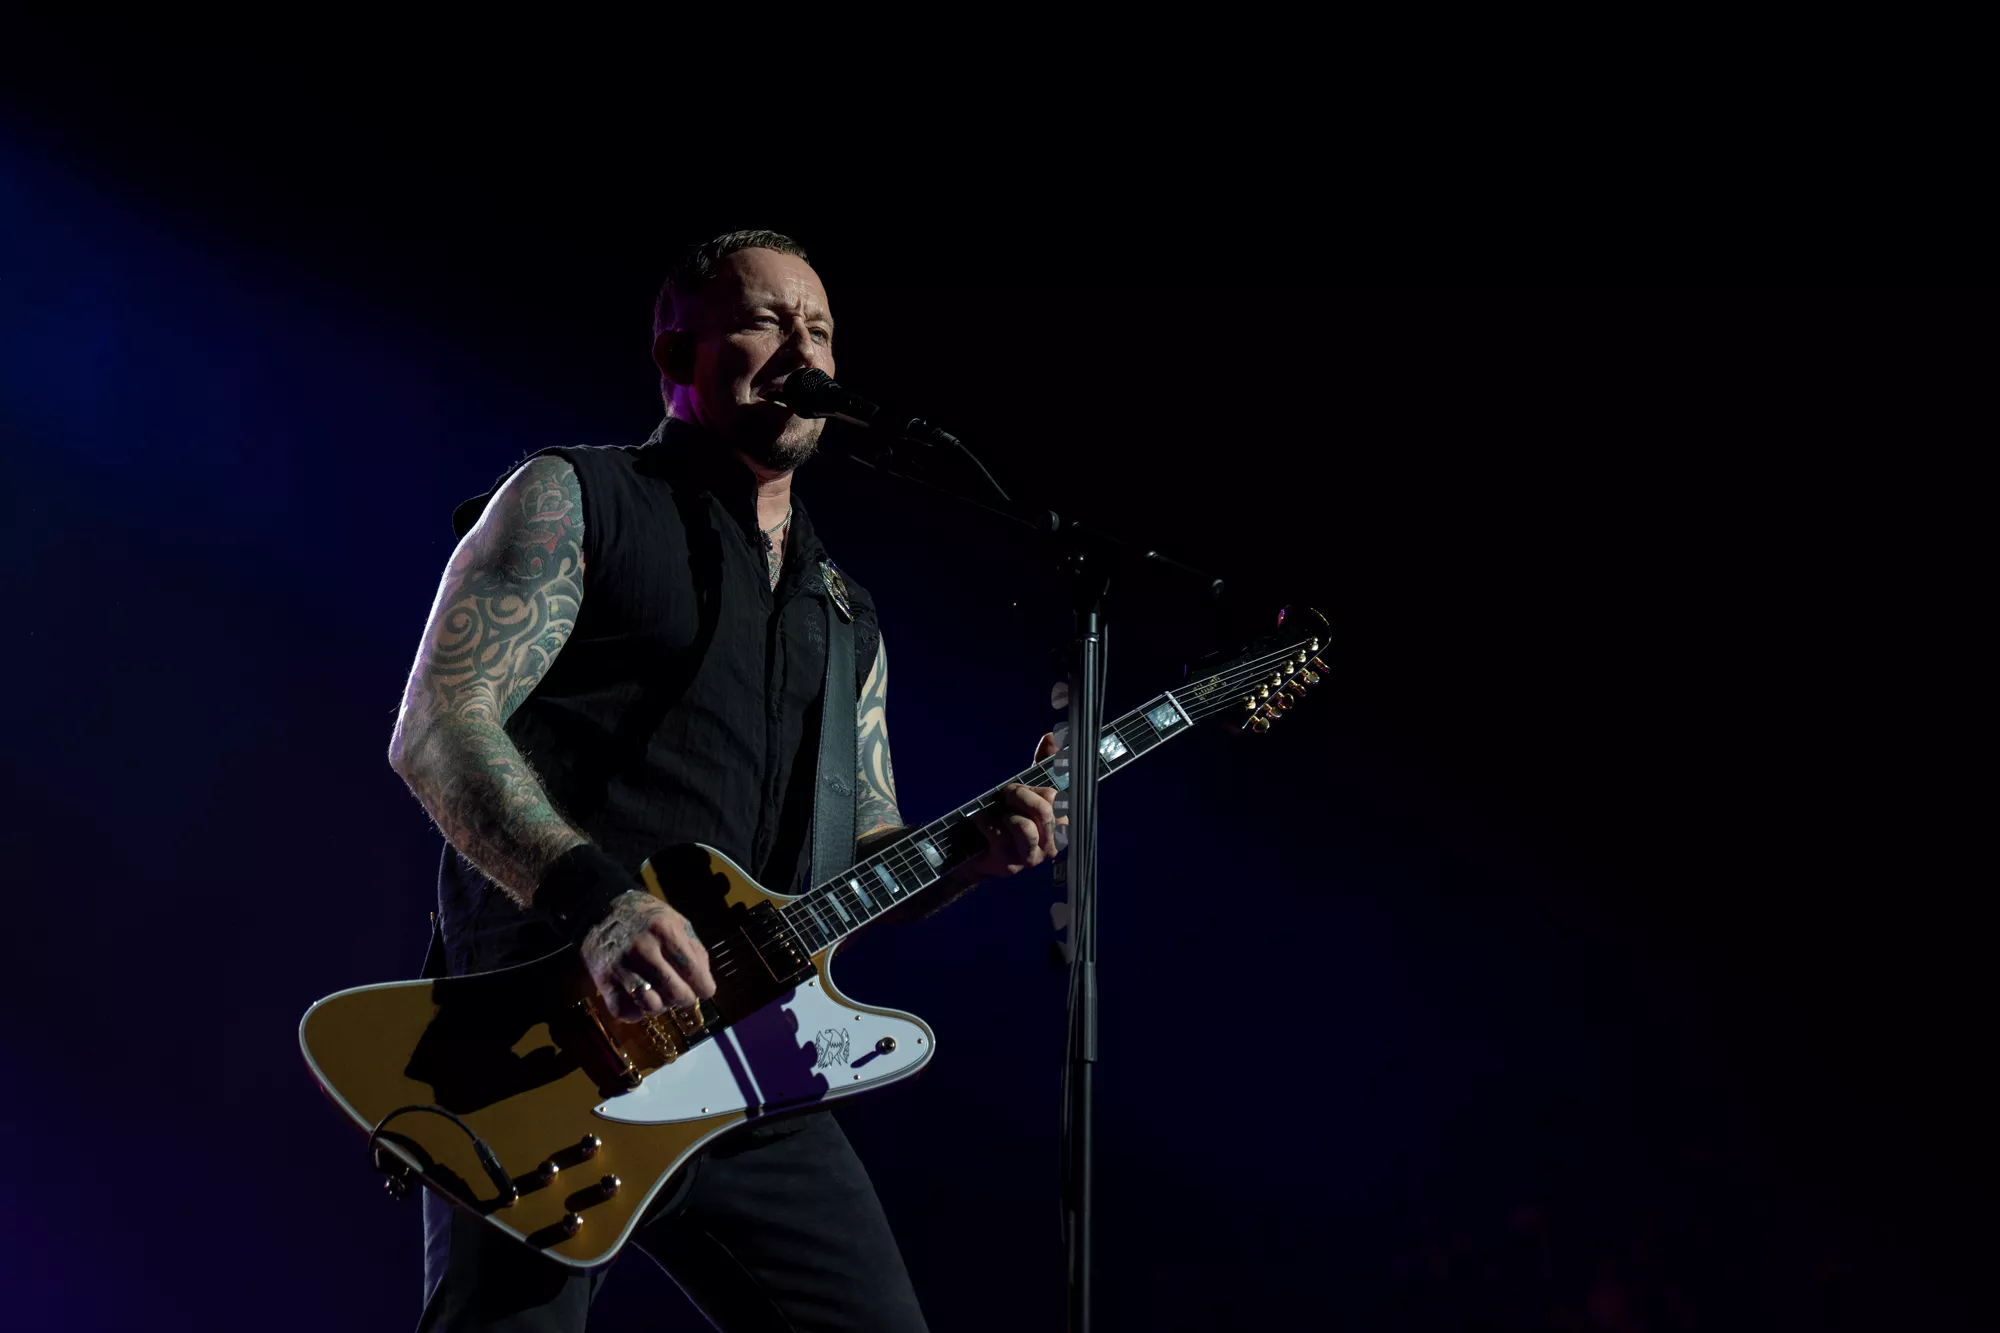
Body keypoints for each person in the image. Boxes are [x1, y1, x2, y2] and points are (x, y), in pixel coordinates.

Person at [386, 229, 1063, 1332]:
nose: (804, 348)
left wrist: (970, 855)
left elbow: (859, 849)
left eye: (821, 330)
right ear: (675, 355)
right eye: (764, 321)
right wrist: (602, 906)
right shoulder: (574, 498)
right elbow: (436, 728)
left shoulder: (844, 615)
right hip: (544, 1046)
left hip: (753, 1065)